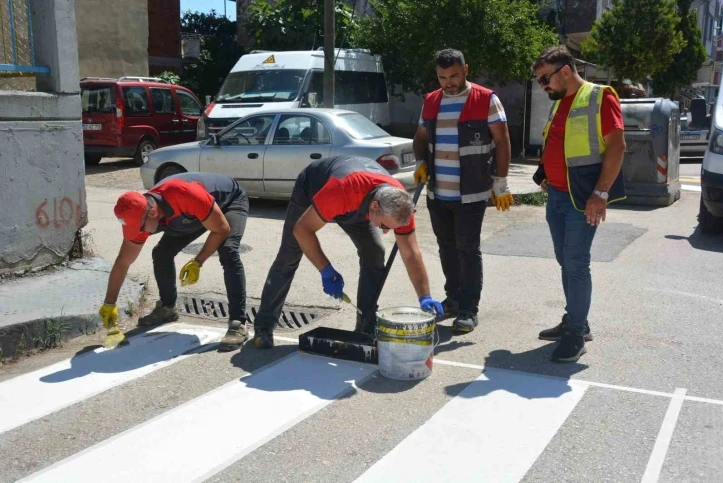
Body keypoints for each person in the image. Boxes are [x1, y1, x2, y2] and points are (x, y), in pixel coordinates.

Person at [251, 155, 443, 349]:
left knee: (374, 252)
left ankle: (365, 325)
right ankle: (264, 326)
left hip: (360, 201)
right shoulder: (342, 189)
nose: (386, 231)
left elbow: (411, 253)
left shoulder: (400, 206)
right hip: (315, 188)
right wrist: (325, 269)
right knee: (289, 255)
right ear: (375, 207)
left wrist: (424, 296)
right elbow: (302, 230)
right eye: (385, 226)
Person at [532, 46, 626, 362]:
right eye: (539, 81)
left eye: (545, 79)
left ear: (566, 71)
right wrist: (545, 174)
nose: (543, 86)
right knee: (565, 261)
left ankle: (575, 334)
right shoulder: (560, 104)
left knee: (575, 263)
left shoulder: (600, 96)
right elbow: (557, 142)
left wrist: (600, 194)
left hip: (582, 199)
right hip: (557, 195)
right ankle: (577, 320)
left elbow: (617, 146)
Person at [413, 48, 513, 334]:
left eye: (454, 75)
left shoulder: (486, 99)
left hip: (471, 193)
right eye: (443, 77)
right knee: (446, 247)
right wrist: (421, 162)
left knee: (467, 249)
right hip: (437, 192)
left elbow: (503, 141)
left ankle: (469, 309)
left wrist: (501, 182)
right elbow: (421, 137)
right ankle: (454, 298)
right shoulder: (432, 100)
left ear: (466, 70)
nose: (449, 82)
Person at [98, 173, 250, 351]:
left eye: (139, 228)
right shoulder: (141, 214)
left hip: (228, 202)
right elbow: (123, 262)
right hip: (192, 214)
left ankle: (238, 322)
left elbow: (222, 229)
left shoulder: (185, 194)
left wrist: (198, 261)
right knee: (162, 253)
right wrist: (109, 303)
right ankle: (168, 308)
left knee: (228, 252)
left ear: (153, 213)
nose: (138, 233)